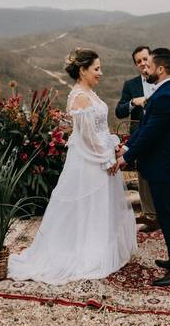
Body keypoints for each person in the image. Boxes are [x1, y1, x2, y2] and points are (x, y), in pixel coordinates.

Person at [7, 48, 137, 284]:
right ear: (82, 70)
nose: (101, 73)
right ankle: (86, 252)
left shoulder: (89, 93)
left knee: (98, 207)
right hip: (90, 161)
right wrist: (107, 158)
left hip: (99, 156)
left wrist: (113, 145)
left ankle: (98, 246)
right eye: (96, 69)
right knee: (88, 205)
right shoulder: (79, 97)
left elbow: (99, 131)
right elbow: (87, 138)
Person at [112, 48, 170, 287]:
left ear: (161, 69)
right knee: (167, 217)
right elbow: (145, 126)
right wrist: (127, 148)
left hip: (162, 166)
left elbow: (151, 133)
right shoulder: (167, 90)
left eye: (151, 65)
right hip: (160, 164)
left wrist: (127, 157)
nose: (147, 69)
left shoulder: (167, 95)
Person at [115, 45, 158, 218]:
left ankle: (166, 214)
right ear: (135, 65)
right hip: (138, 139)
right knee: (145, 175)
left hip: (160, 136)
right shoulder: (130, 85)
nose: (142, 63)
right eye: (138, 61)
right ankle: (149, 215)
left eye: (145, 59)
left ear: (152, 58)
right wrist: (133, 102)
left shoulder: (161, 80)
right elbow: (119, 112)